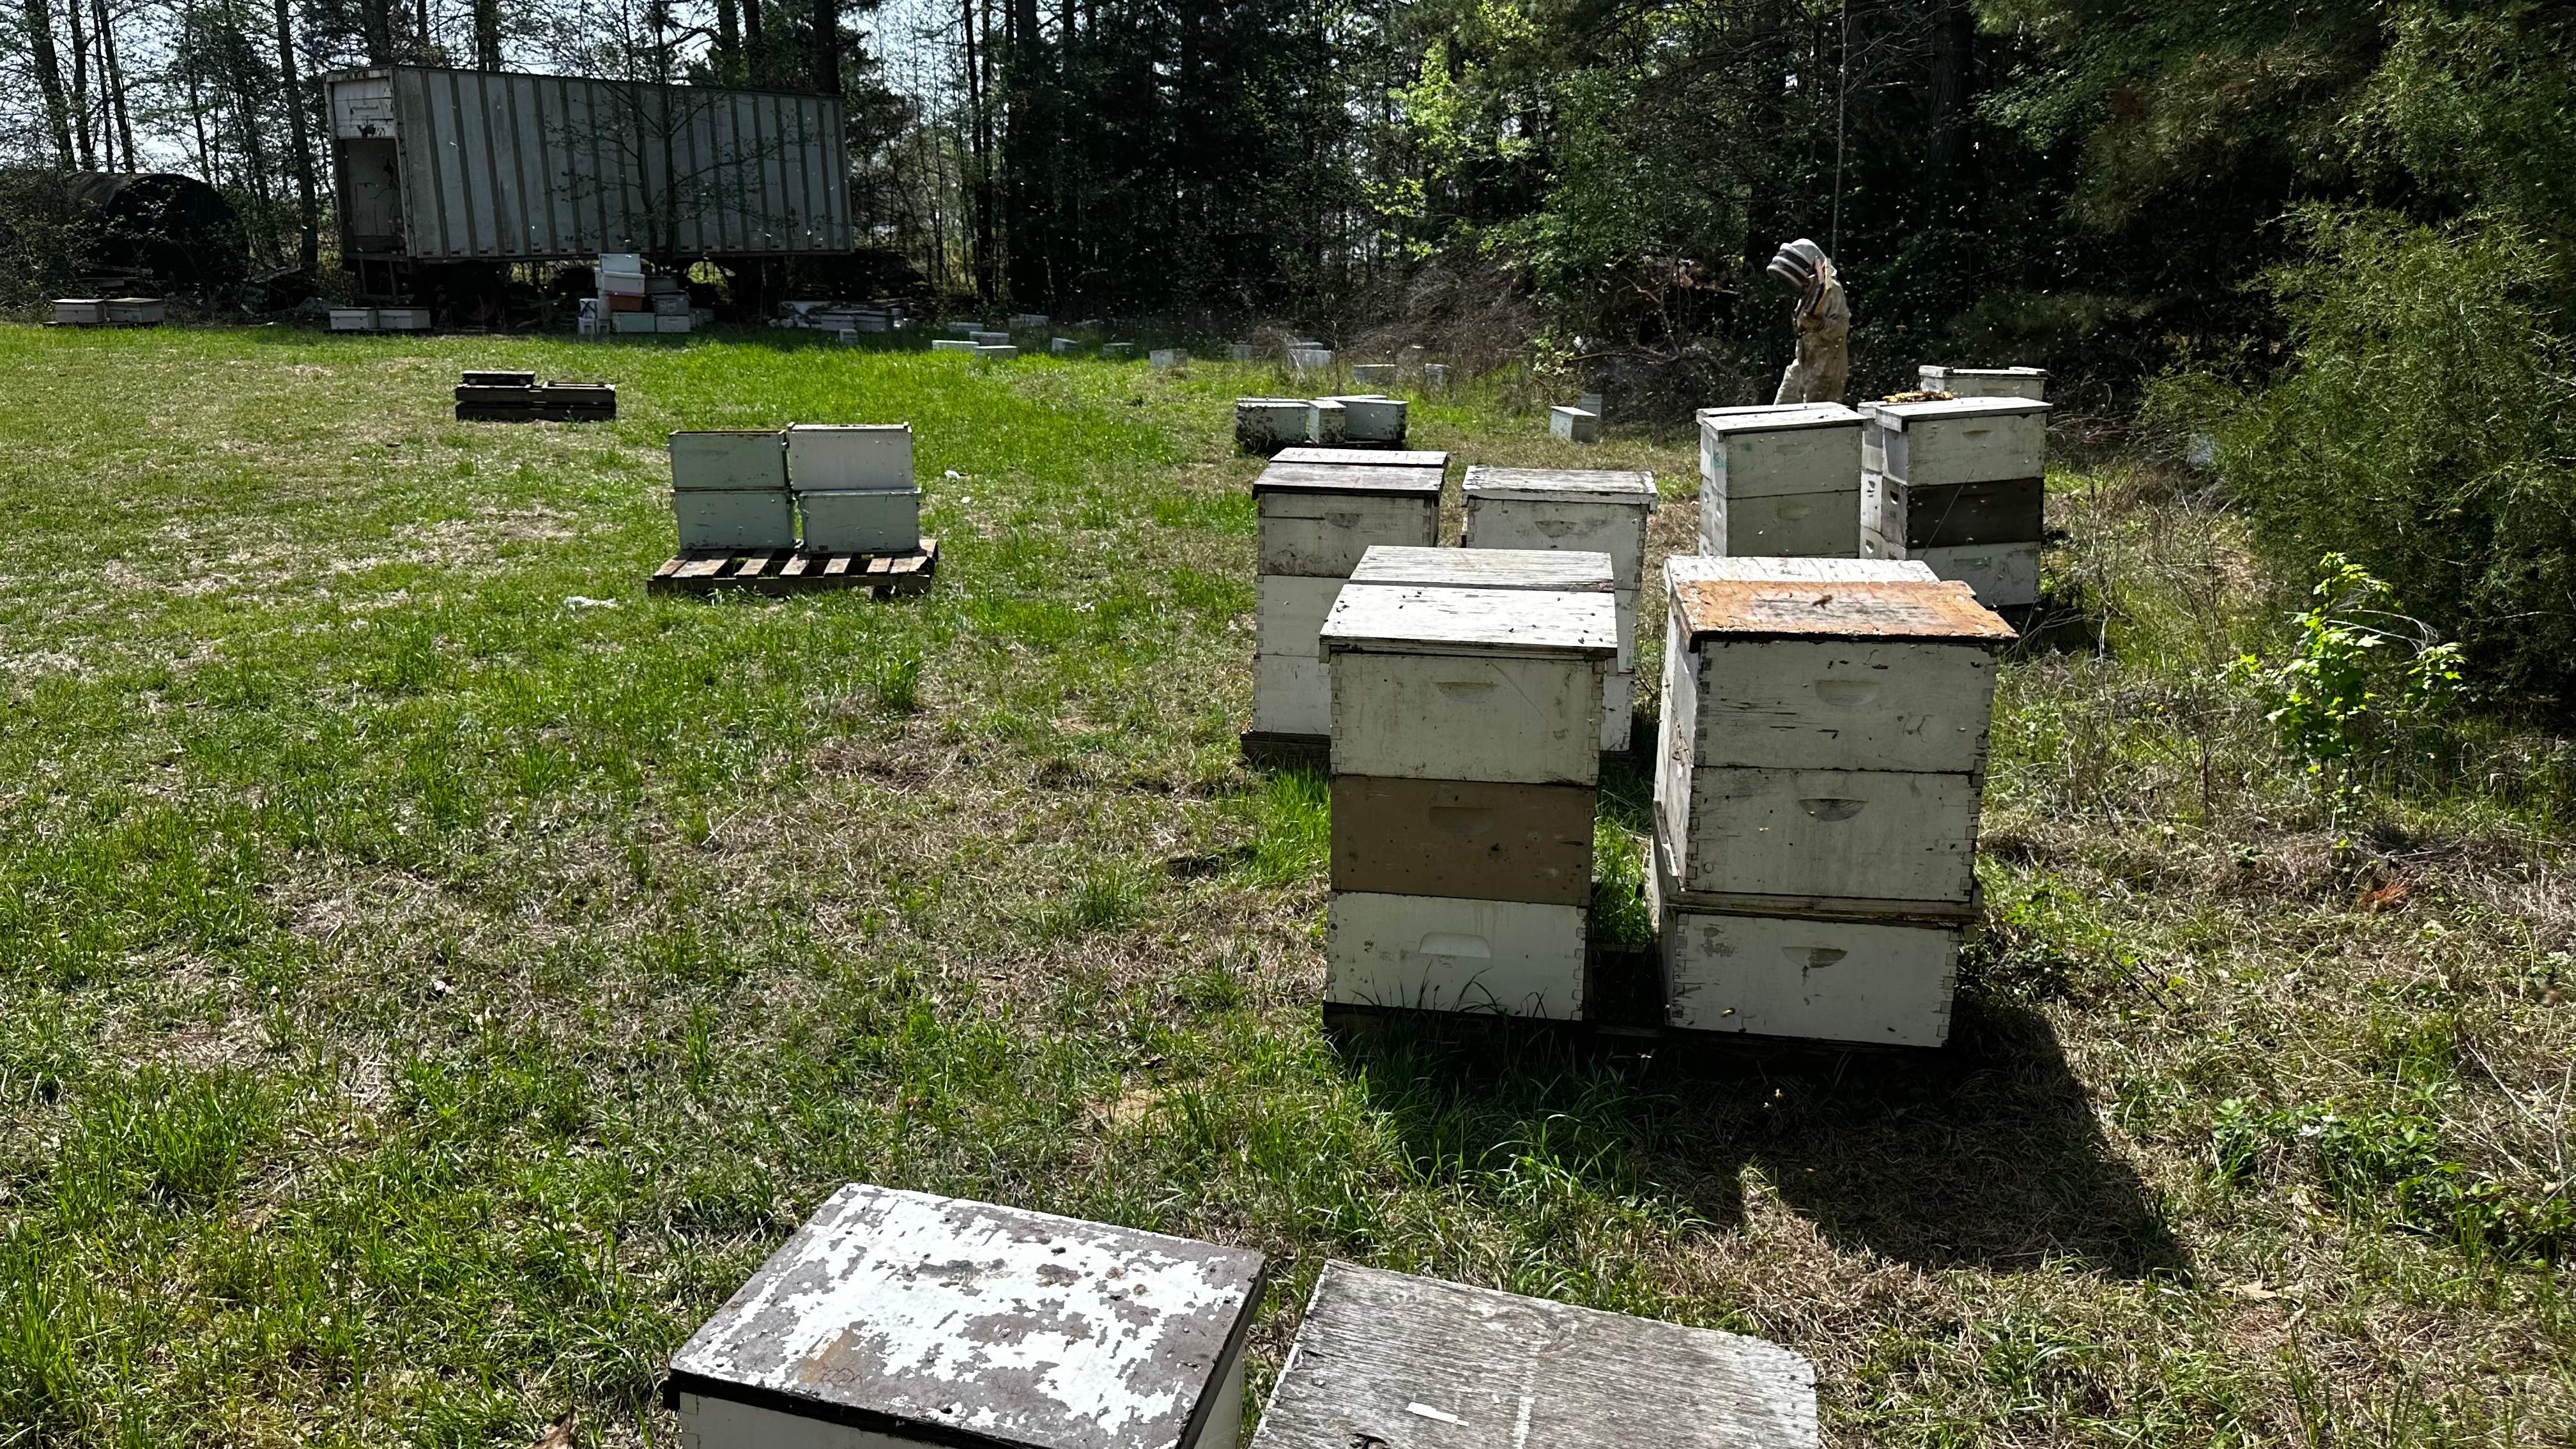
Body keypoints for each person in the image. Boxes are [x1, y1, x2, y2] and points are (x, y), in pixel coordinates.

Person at [1767, 238, 1849, 405]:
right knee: (1780, 410)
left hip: (1826, 367)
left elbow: (1842, 327)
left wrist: (1820, 325)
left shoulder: (1832, 289)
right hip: (1802, 363)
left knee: (1814, 418)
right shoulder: (1810, 289)